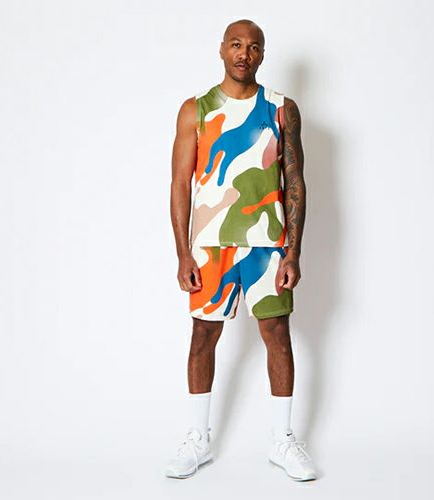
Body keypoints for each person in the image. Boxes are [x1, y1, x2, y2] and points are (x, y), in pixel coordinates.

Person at [166, 18, 317, 481]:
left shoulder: (281, 108)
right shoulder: (196, 109)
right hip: (210, 247)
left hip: (267, 246)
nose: (243, 53)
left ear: (262, 55)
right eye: (236, 44)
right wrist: (183, 253)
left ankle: (282, 440)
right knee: (202, 338)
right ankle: (198, 438)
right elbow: (180, 185)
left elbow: (295, 181)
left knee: (277, 336)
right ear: (221, 49)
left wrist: (292, 252)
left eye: (253, 47)